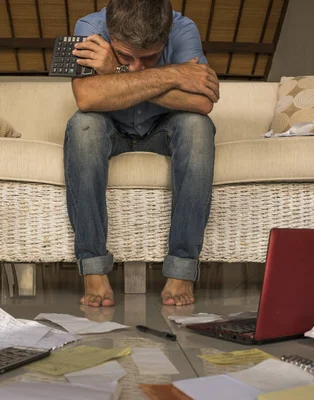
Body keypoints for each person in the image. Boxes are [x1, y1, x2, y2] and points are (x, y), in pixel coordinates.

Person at [64, 0, 219, 307]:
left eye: (149, 58)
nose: (136, 65)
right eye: (125, 56)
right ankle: (93, 268)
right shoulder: (90, 29)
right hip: (112, 130)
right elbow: (86, 97)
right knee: (83, 125)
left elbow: (202, 103)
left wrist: (115, 72)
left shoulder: (184, 29)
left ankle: (181, 271)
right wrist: (174, 75)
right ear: (110, 32)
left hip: (163, 130)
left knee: (198, 126)